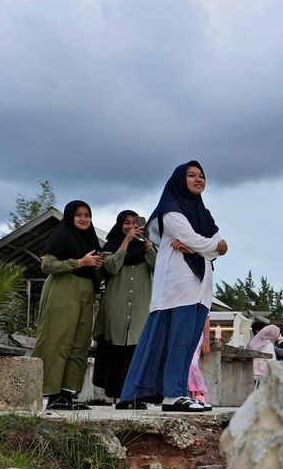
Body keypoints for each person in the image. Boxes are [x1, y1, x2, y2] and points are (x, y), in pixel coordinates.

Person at [119, 161, 228, 412]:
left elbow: (219, 242)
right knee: (171, 340)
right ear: (180, 179)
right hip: (178, 285)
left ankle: (138, 395)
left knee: (185, 342)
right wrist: (208, 247)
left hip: (200, 286)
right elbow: (194, 239)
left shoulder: (204, 214)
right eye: (191, 175)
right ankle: (173, 395)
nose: (198, 179)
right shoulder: (170, 209)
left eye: (201, 176)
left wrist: (205, 247)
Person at [31, 200, 103, 410]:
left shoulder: (90, 240)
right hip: (63, 292)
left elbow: (96, 271)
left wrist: (97, 264)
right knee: (57, 341)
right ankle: (52, 395)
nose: (83, 219)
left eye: (87, 215)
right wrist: (80, 262)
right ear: (70, 217)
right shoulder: (61, 236)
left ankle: (68, 394)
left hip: (85, 294)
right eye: (79, 215)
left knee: (79, 344)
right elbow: (47, 265)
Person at [92, 210, 157, 408]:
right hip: (116, 307)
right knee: (117, 353)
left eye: (134, 223)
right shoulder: (111, 247)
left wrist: (148, 243)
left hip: (139, 309)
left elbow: (157, 265)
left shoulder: (145, 249)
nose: (130, 227)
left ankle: (135, 396)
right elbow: (111, 268)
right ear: (120, 225)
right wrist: (126, 242)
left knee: (136, 352)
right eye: (126, 223)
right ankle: (120, 397)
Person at [186, 315, 212, 410]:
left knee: (192, 364)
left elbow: (206, 318)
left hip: (197, 333)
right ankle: (185, 393)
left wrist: (206, 339)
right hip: (184, 330)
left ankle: (198, 392)